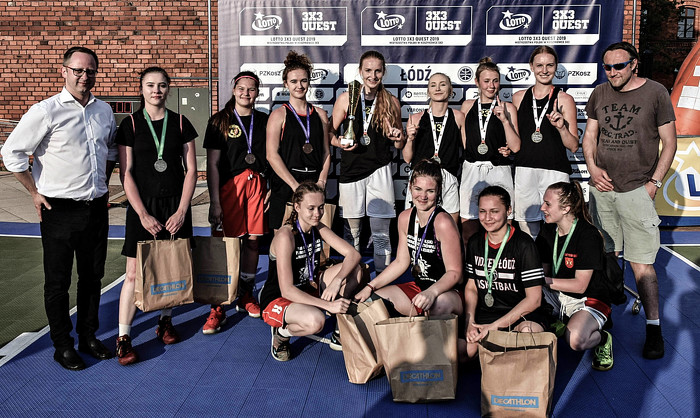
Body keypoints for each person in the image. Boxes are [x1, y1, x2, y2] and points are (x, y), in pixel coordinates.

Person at [1, 47, 117, 370]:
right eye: (78, 70)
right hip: (59, 210)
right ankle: (62, 345)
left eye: (90, 71)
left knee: (92, 278)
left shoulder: (104, 111)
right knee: (58, 282)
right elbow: (11, 153)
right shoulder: (46, 111)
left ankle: (88, 336)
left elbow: (110, 151)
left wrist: (102, 183)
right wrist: (34, 192)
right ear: (64, 71)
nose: (84, 76)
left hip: (96, 209)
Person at [582, 41, 676, 360]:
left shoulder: (656, 93)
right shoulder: (599, 93)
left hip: (638, 190)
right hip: (602, 190)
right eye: (607, 67)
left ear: (634, 64)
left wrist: (654, 183)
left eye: (619, 66)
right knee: (606, 259)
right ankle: (604, 322)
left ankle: (654, 330)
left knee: (642, 265)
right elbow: (589, 136)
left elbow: (670, 143)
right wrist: (592, 168)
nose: (612, 72)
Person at [114, 67, 198, 365]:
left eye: (162, 85)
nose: (156, 91)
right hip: (143, 208)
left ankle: (165, 321)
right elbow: (125, 173)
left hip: (175, 207)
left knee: (171, 268)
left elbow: (192, 171)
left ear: (168, 89)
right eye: (150, 85)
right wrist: (142, 213)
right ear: (141, 88)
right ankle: (124, 337)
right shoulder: (130, 124)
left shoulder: (181, 123)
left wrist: (182, 210)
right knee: (133, 274)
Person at [259, 182, 365, 361]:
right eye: (311, 208)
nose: (317, 213)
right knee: (316, 322)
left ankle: (339, 326)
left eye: (321, 207)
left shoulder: (317, 226)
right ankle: (281, 333)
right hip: (279, 296)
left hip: (308, 286)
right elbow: (287, 290)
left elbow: (353, 255)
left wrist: (337, 280)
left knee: (356, 270)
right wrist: (328, 306)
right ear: (297, 207)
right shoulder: (285, 236)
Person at [202, 71, 269, 332]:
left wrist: (269, 189)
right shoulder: (219, 121)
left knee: (252, 242)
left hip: (256, 186)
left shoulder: (264, 120)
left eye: (251, 89)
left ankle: (246, 294)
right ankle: (218, 305)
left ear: (257, 93)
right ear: (233, 90)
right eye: (241, 88)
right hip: (229, 188)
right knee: (224, 246)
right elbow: (213, 164)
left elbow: (271, 157)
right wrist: (214, 201)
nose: (246, 93)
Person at [354, 159, 463, 318]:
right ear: (410, 186)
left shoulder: (443, 222)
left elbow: (455, 273)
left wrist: (432, 292)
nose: (423, 196)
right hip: (419, 288)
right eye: (418, 189)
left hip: (449, 292)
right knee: (370, 303)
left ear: (438, 191)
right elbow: (401, 262)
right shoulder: (405, 218)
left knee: (438, 305)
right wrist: (370, 286)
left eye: (430, 191)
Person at [330, 50, 405, 275]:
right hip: (351, 171)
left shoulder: (391, 101)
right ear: (360, 71)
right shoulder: (347, 98)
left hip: (380, 171)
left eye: (378, 71)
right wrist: (339, 142)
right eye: (368, 70)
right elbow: (329, 133)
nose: (373, 76)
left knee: (381, 233)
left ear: (384, 72)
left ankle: (382, 280)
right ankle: (351, 278)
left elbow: (399, 144)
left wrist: (398, 137)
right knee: (351, 233)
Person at [536, 181, 614, 371]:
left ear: (566, 209)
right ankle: (559, 321)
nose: (542, 208)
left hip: (587, 298)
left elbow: (580, 286)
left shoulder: (588, 235)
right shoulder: (547, 229)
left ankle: (602, 338)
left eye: (548, 204)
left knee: (576, 340)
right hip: (556, 294)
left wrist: (540, 281)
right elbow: (543, 270)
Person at [463, 186, 548, 360]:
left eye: (494, 211)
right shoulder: (475, 242)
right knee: (466, 351)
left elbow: (534, 299)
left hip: (521, 316)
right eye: (482, 211)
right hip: (487, 315)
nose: (487, 218)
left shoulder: (524, 244)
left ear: (508, 210)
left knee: (529, 333)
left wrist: (496, 326)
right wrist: (469, 322)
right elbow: (471, 286)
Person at [512, 46, 579, 239]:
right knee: (527, 226)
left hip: (555, 170)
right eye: (539, 65)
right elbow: (514, 137)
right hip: (525, 169)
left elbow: (573, 146)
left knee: (560, 224)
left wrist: (561, 128)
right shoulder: (519, 97)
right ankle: (533, 259)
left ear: (556, 67)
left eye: (549, 65)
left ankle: (555, 259)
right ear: (531, 67)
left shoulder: (564, 99)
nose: (544, 70)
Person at [267, 50, 331, 230]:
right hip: (286, 186)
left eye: (303, 80)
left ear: (309, 82)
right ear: (286, 84)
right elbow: (271, 155)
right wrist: (294, 186)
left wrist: (321, 182)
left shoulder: (320, 114)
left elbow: (326, 152)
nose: (299, 86)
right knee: (283, 239)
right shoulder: (278, 115)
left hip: (313, 185)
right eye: (294, 81)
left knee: (314, 240)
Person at [459, 57, 520, 243]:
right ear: (477, 82)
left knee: (503, 228)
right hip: (472, 170)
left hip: (499, 170)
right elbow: (465, 142)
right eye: (486, 81)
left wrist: (505, 121)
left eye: (495, 81)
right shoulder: (467, 106)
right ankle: (472, 262)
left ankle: (503, 260)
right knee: (468, 230)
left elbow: (516, 146)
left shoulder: (508, 107)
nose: (491, 86)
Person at [404, 73, 466, 224]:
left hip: (448, 177)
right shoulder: (416, 118)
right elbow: (407, 158)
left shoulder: (458, 117)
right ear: (428, 91)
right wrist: (410, 138)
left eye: (442, 84)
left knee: (450, 225)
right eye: (433, 85)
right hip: (421, 177)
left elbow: (467, 148)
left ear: (450, 90)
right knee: (417, 226)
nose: (437, 88)